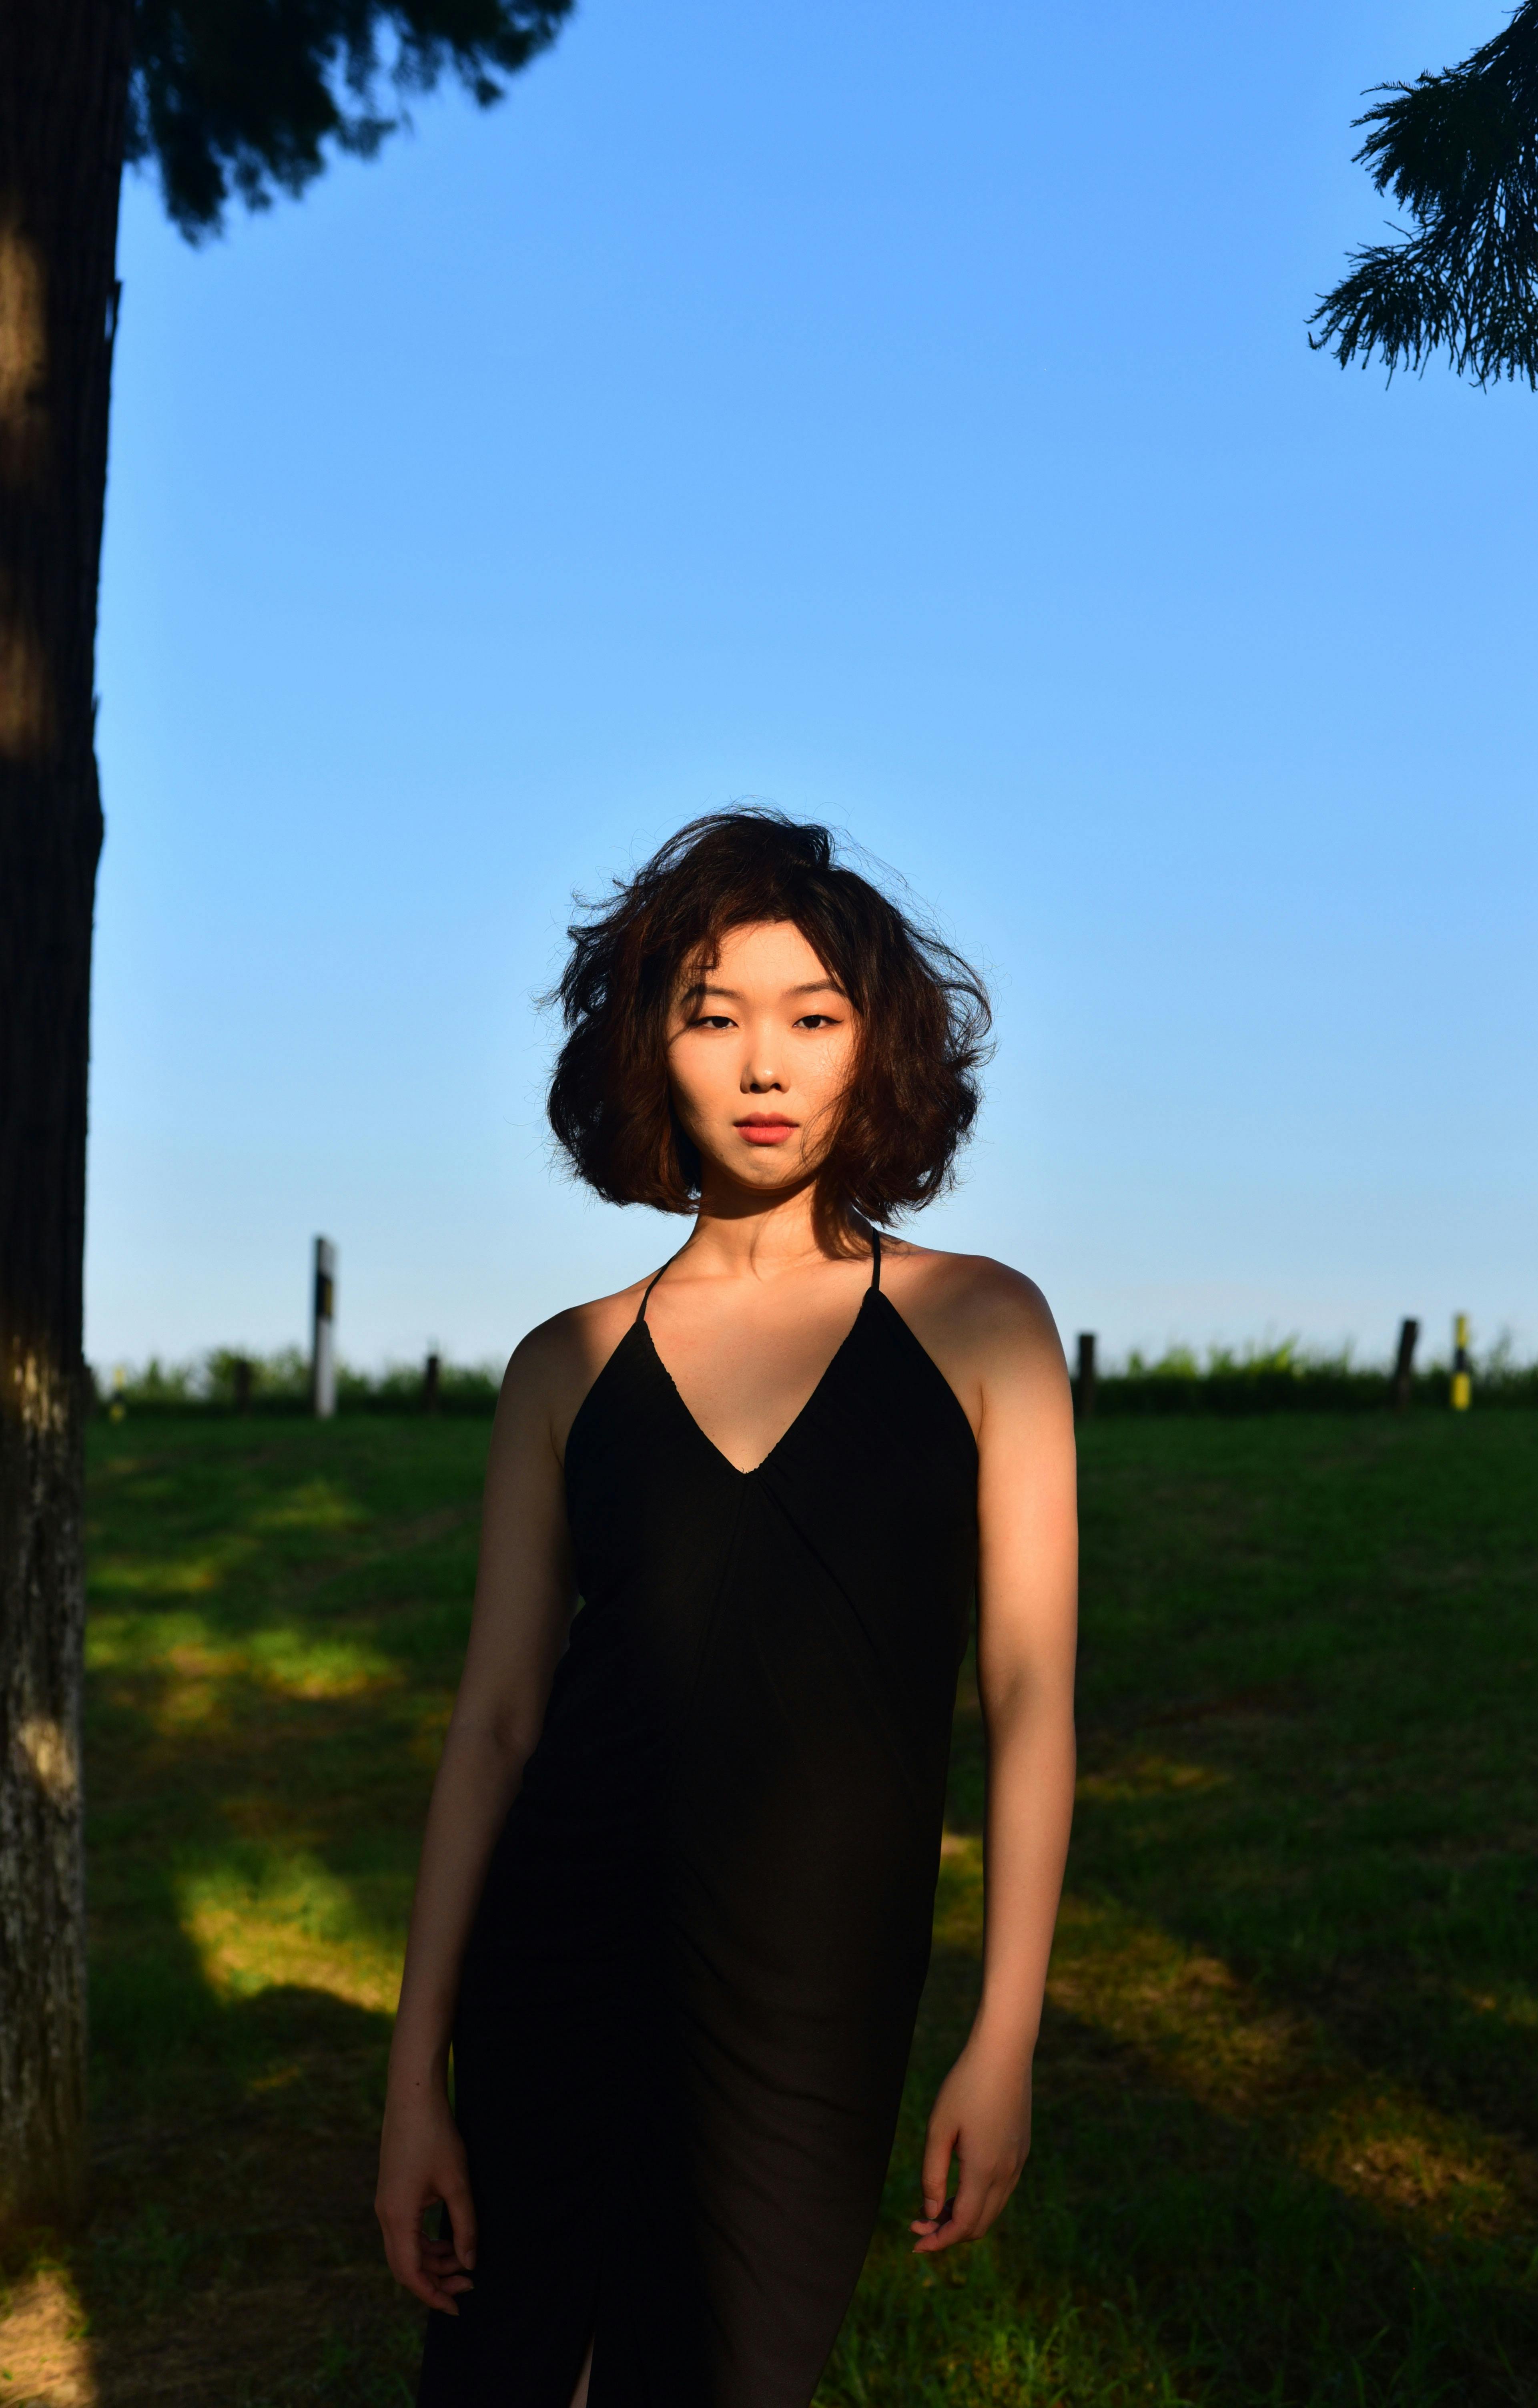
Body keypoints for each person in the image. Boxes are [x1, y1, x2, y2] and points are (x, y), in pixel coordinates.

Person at [376, 810, 1079, 2408]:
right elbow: (493, 1727)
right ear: (652, 1049)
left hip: (811, 1988)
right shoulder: (565, 1365)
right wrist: (415, 2077)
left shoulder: (982, 1325)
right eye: (714, 1014)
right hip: (558, 1954)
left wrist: (1005, 2029)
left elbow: (1027, 1689)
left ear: (874, 1045)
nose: (765, 1065)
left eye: (812, 1018)